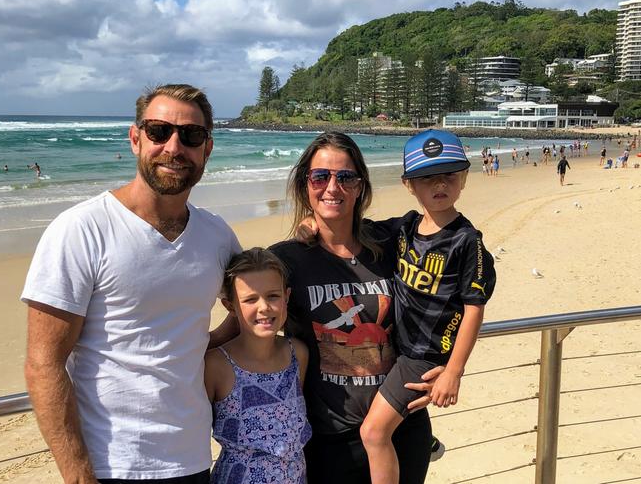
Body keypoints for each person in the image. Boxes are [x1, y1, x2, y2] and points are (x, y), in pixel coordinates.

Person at [22, 84, 241, 483]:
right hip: (110, 465)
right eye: (159, 131)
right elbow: (43, 363)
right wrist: (77, 475)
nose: (174, 147)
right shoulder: (82, 229)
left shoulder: (217, 235)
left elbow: (255, 303)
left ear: (207, 149)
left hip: (193, 459)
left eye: (191, 136)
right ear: (136, 139)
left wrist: (199, 343)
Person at [268, 132, 443, 484]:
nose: (333, 187)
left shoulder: (392, 243)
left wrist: (449, 366)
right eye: (321, 176)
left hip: (402, 426)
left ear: (360, 186)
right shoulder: (285, 260)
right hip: (328, 438)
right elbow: (248, 323)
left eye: (345, 177)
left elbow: (452, 286)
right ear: (306, 185)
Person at [357, 130, 496, 484]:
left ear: (464, 178)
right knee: (389, 421)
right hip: (397, 346)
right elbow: (360, 230)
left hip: (426, 354)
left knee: (373, 433)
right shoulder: (405, 228)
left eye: (449, 175)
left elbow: (474, 309)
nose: (439, 185)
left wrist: (453, 371)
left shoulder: (467, 242)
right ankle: (424, 442)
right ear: (409, 185)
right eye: (427, 178)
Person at [206, 248, 311, 483]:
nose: (264, 307)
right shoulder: (216, 365)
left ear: (287, 297)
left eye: (273, 296)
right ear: (230, 306)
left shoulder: (298, 354)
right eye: (250, 299)